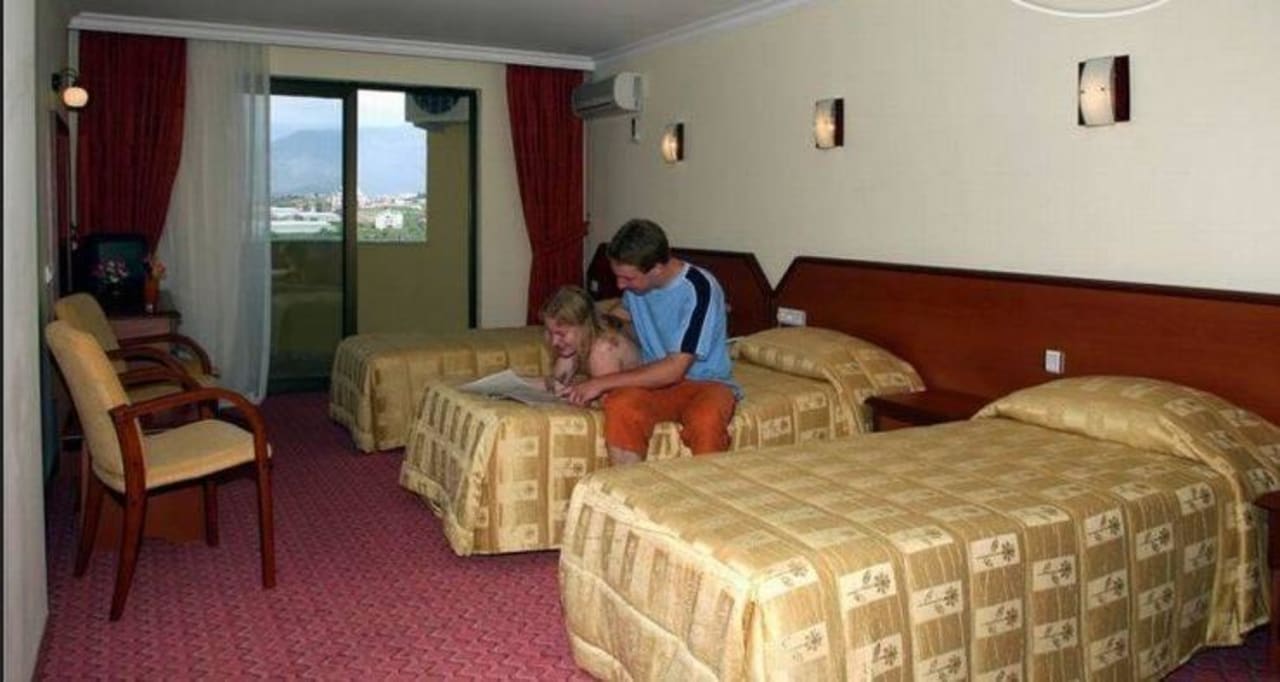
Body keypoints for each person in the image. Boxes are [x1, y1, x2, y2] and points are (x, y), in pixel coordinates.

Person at [565, 219, 739, 465]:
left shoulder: (699, 288)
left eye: (628, 278)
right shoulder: (638, 288)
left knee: (706, 421)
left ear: (657, 269)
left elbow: (675, 369)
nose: (620, 285)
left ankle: (706, 487)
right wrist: (580, 335)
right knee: (621, 406)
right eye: (618, 277)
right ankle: (628, 485)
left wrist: (600, 383)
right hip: (657, 384)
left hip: (706, 383)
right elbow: (619, 316)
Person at [540, 285, 640, 396]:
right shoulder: (576, 344)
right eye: (550, 333)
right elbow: (555, 385)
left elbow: (607, 400)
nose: (554, 342)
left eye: (561, 334)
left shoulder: (603, 350)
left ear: (585, 326)